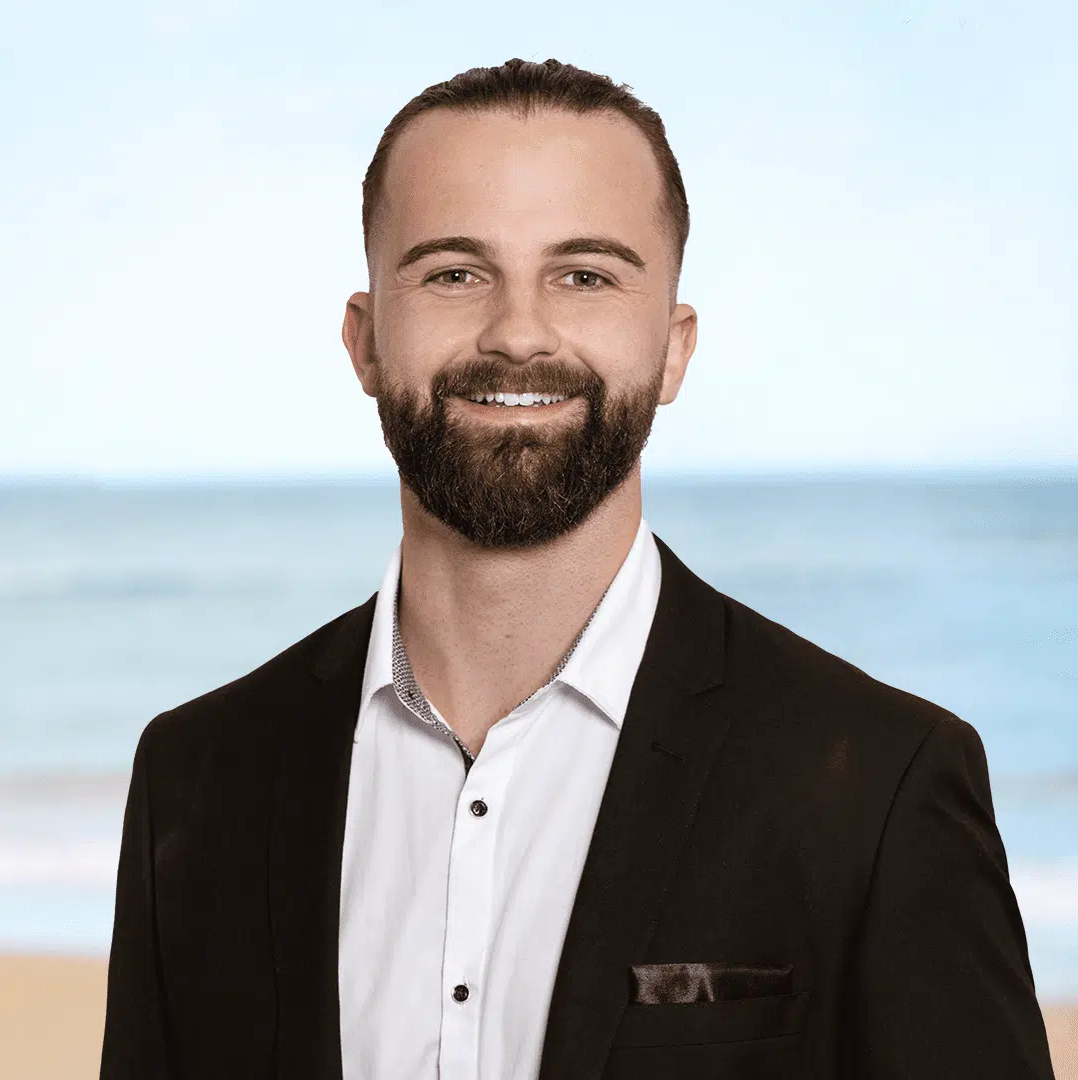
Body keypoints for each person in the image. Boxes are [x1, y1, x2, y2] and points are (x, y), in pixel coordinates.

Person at [99, 58, 1056, 1080]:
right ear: (365, 342)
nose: (518, 333)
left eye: (585, 275)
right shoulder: (197, 780)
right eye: (454, 273)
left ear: (674, 348)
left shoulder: (883, 784)